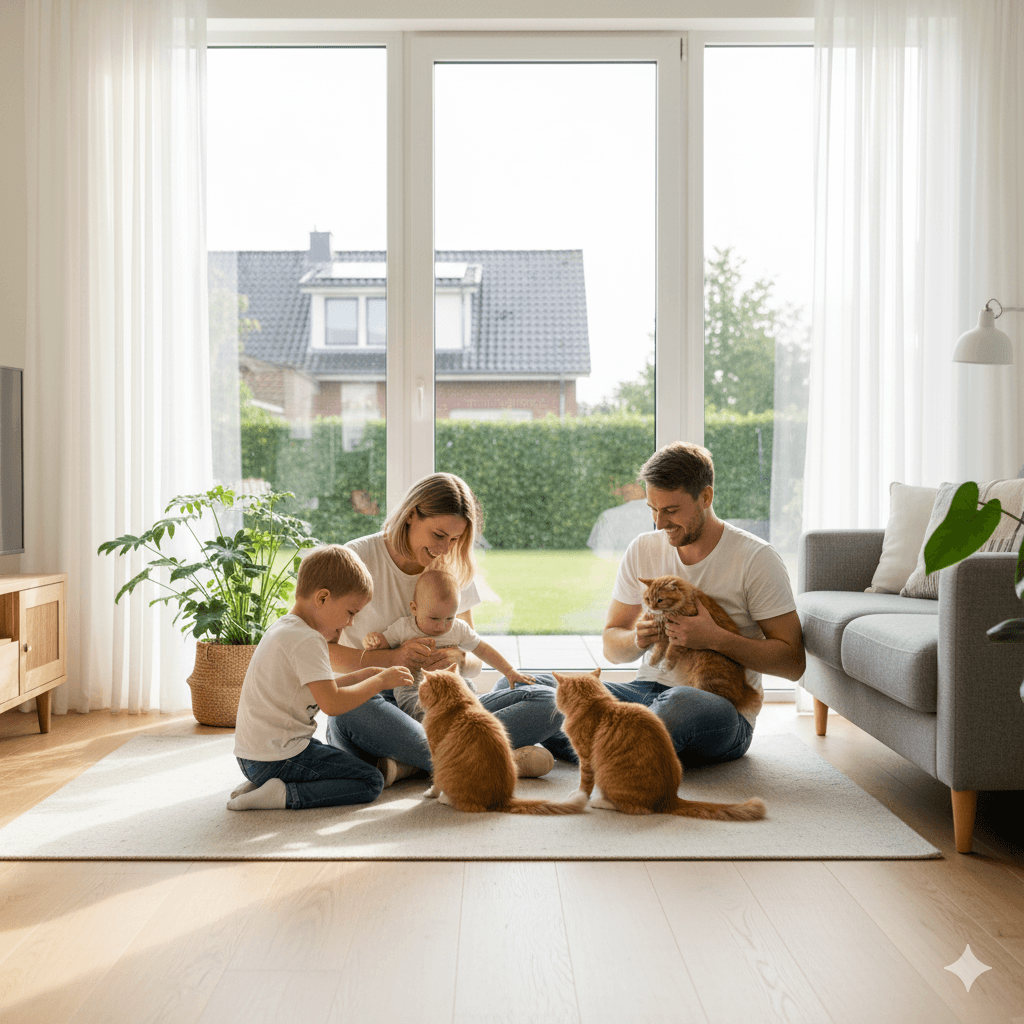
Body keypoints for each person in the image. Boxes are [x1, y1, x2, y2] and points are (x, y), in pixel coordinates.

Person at [325, 473, 565, 784]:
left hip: (447, 705)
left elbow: (473, 658)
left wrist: (459, 658)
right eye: (438, 535)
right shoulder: (356, 558)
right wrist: (392, 659)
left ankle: (414, 762)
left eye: (454, 539)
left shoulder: (451, 568)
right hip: (377, 701)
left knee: (548, 701)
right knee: (349, 709)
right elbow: (318, 650)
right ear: (411, 514)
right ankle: (490, 757)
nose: (444, 549)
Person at [599, 440, 806, 766]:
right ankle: (618, 752)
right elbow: (611, 645)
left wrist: (715, 638)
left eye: (670, 510)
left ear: (705, 497)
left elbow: (793, 663)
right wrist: (637, 639)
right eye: (652, 509)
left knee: (680, 704)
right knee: (534, 689)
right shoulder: (643, 548)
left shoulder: (756, 558)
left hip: (717, 706)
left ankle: (595, 745)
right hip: (645, 691)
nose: (659, 523)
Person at [228, 544, 415, 811]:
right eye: (351, 612)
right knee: (370, 781)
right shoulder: (307, 640)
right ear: (323, 598)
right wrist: (380, 683)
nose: (350, 623)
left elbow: (320, 688)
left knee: (333, 760)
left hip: (252, 758)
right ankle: (284, 794)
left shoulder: (285, 628)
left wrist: (366, 674)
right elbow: (332, 704)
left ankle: (263, 783)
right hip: (278, 757)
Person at [363, 567, 537, 720]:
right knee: (416, 711)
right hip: (414, 688)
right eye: (434, 618)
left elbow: (482, 649)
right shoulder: (404, 628)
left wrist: (509, 671)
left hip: (454, 685)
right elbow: (383, 644)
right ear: (414, 609)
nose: (442, 625)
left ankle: (469, 720)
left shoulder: (458, 629)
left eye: (449, 618)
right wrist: (374, 641)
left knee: (471, 692)